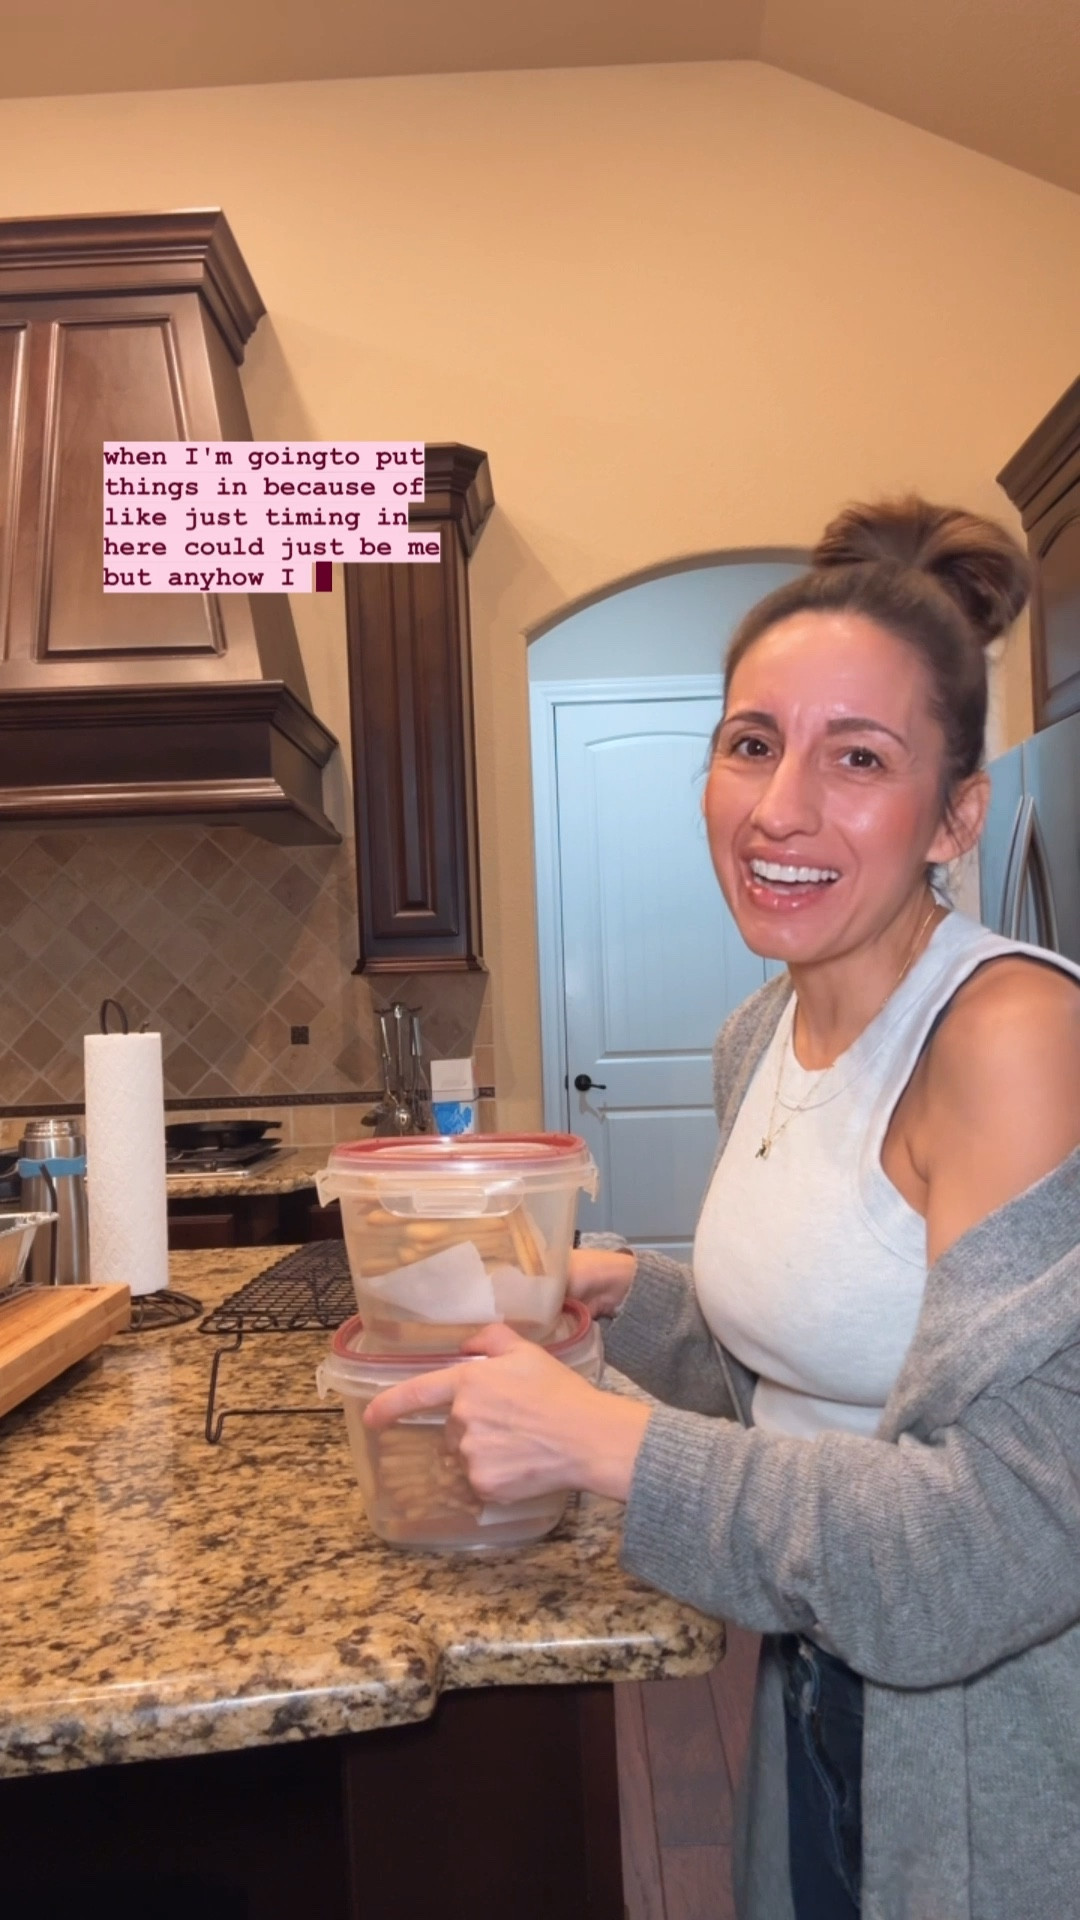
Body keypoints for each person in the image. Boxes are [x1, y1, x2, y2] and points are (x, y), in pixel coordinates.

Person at [364, 497, 1080, 1920]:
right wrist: (635, 1301)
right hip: (816, 1675)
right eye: (752, 743)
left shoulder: (1011, 1039)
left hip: (997, 1753)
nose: (779, 809)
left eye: (858, 758)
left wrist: (610, 1446)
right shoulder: (763, 1034)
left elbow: (999, 1542)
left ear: (958, 815)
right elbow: (810, 1378)